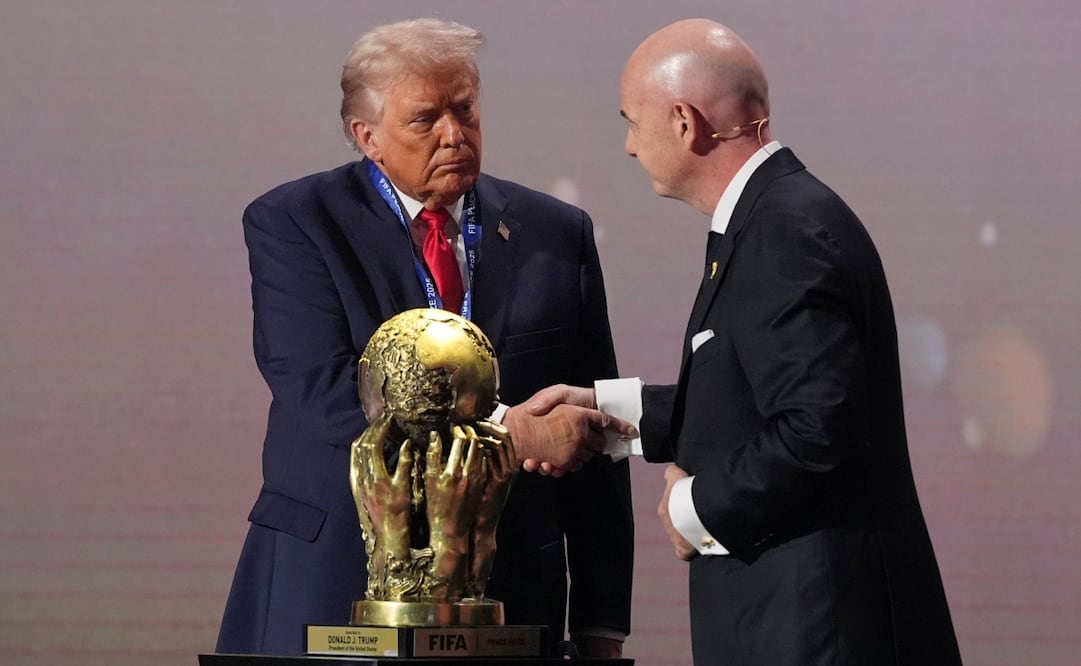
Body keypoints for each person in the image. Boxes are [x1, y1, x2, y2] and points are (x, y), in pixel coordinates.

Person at [535, 17, 962, 664]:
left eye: (630, 120)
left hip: (816, 631)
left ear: (683, 121)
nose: (627, 145)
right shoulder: (773, 218)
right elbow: (752, 393)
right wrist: (610, 415)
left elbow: (816, 429)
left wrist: (692, 508)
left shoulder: (783, 233)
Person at [215, 18, 633, 658]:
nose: (454, 134)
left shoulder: (556, 233)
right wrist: (509, 432)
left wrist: (603, 622)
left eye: (464, 109)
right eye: (425, 119)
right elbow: (325, 391)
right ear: (368, 137)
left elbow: (591, 427)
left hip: (512, 587)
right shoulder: (295, 223)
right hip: (333, 581)